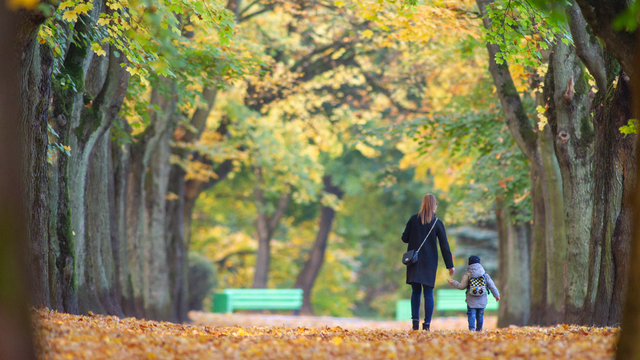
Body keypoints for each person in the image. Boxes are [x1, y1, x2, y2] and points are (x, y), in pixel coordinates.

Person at [402, 194, 454, 331]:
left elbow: (404, 238)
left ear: (423, 205)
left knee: (416, 292)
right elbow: (444, 245)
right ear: (434, 206)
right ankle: (427, 325)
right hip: (430, 263)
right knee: (428, 293)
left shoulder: (413, 220)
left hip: (414, 261)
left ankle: (414, 323)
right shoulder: (437, 223)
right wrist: (450, 265)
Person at [447, 255, 500, 331]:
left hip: (471, 300)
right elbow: (492, 286)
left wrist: (453, 282)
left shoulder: (467, 276)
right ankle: (479, 329)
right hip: (482, 299)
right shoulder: (485, 275)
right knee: (480, 315)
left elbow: (461, 286)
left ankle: (471, 329)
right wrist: (497, 295)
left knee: (471, 314)